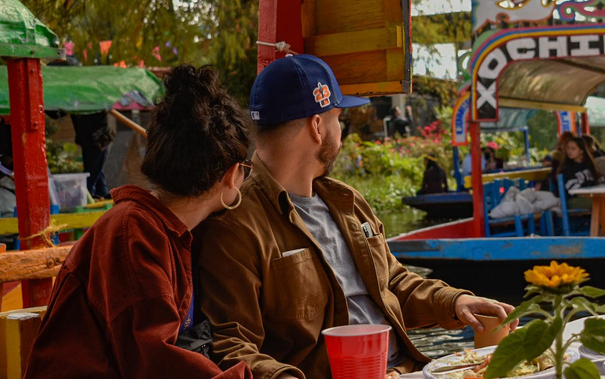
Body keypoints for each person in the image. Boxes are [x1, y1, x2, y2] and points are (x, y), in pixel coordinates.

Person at [195, 55, 514, 378]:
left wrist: (454, 302)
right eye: (338, 120)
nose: (341, 133)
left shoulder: (348, 202)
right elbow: (231, 345)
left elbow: (393, 284)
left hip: (409, 369)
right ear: (317, 127)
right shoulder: (233, 226)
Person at [24, 65, 254, 379]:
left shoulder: (166, 229)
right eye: (246, 169)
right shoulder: (135, 233)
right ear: (231, 175)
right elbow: (155, 362)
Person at [70, 111, 114, 199]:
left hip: (96, 137)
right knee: (92, 171)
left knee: (95, 170)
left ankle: (100, 192)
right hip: (92, 138)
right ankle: (89, 194)